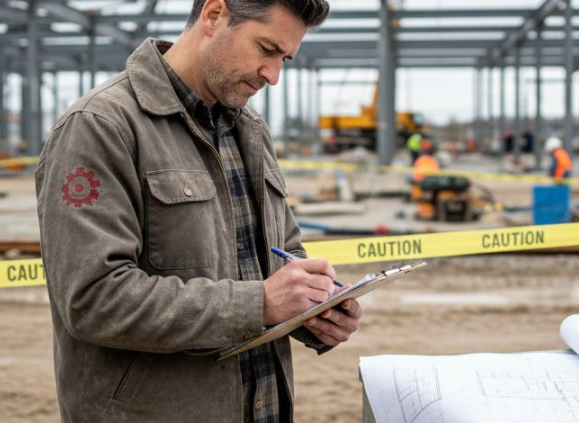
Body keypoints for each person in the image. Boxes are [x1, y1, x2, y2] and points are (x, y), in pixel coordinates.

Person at [34, 1, 357, 421]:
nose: (273, 76)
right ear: (214, 15)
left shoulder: (249, 130)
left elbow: (284, 256)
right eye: (265, 49)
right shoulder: (100, 126)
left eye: (284, 59)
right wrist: (257, 304)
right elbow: (93, 299)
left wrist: (316, 307)